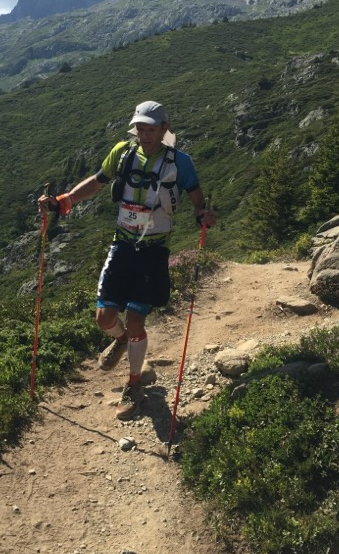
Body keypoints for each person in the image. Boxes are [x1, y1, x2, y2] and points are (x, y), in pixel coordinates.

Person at [38, 100, 216, 420]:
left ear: (165, 129)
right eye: (140, 129)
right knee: (104, 317)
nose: (145, 135)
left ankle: (133, 383)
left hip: (154, 249)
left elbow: (196, 196)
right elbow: (97, 181)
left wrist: (202, 212)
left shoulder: (181, 163)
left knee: (136, 320)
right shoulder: (123, 153)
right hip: (122, 243)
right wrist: (64, 201)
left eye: (151, 129)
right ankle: (119, 340)